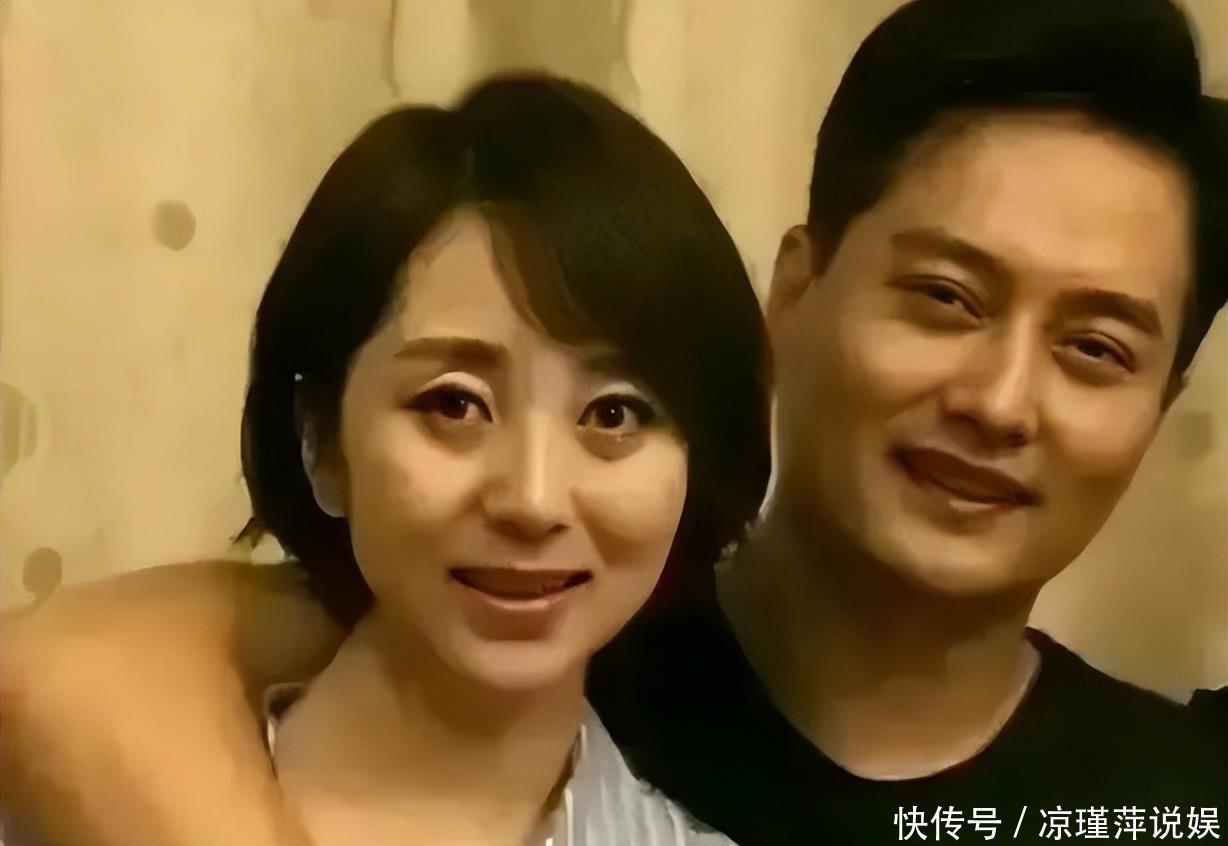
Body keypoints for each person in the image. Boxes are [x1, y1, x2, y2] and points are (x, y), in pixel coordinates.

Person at [4, 0, 1227, 844]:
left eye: (1095, 349)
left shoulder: (1177, 802)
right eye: (946, 298)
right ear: (793, 293)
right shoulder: (536, 621)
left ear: (1160, 404)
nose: (999, 401)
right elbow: (66, 673)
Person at [0, 73, 771, 846]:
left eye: (613, 414)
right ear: (322, 443)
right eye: (454, 404)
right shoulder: (49, 797)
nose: (533, 499)